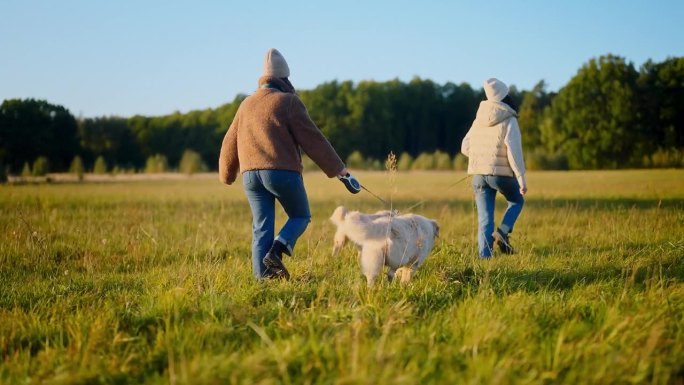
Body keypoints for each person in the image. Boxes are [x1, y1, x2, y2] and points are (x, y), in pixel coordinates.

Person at [219, 48, 361, 280]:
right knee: (300, 216)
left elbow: (229, 140)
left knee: (261, 227)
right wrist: (340, 171)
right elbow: (313, 139)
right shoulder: (288, 102)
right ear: (285, 78)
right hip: (281, 172)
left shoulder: (246, 104)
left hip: (250, 177)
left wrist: (226, 174)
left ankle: (263, 279)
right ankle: (277, 250)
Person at [461, 78, 527, 258]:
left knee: (484, 220)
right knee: (517, 201)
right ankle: (503, 233)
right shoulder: (509, 119)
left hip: (479, 176)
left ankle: (485, 259)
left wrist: (481, 159)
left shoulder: (478, 120)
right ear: (505, 96)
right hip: (501, 176)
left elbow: (465, 147)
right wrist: (521, 178)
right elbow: (514, 153)